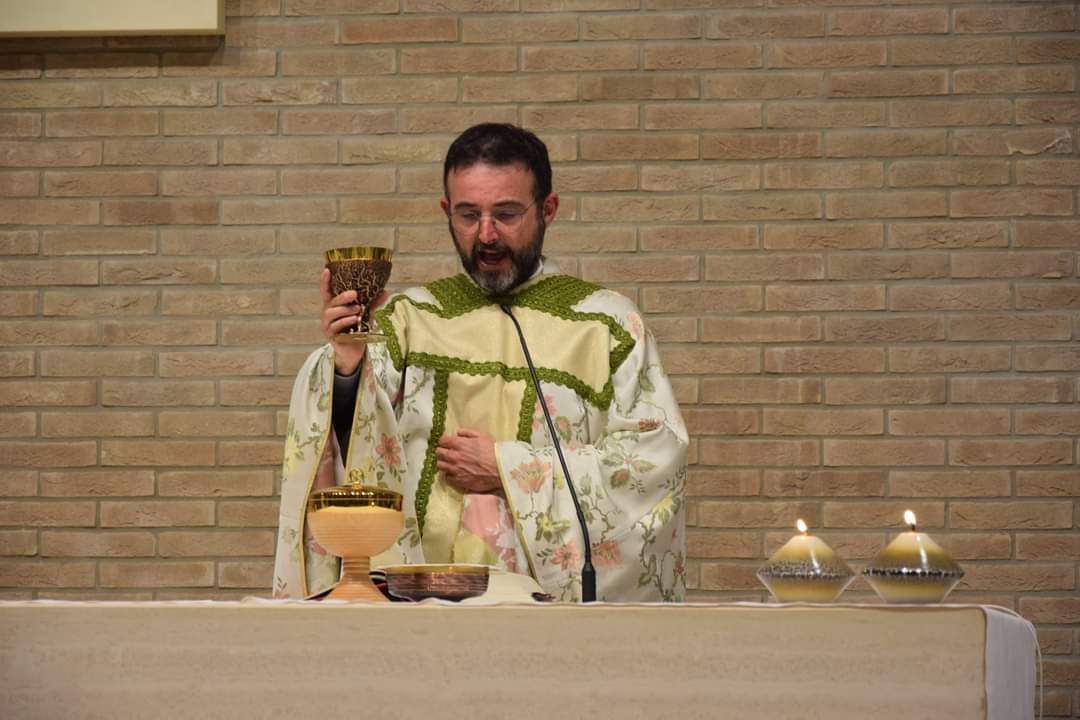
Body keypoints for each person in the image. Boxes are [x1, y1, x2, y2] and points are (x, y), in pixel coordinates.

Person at [273, 123, 687, 602]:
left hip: (550, 612)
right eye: (468, 215)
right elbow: (349, 447)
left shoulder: (606, 324)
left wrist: (509, 467)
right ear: (446, 211)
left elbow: (654, 464)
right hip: (417, 602)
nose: (486, 234)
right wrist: (347, 363)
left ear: (548, 210)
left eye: (506, 214)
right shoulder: (408, 320)